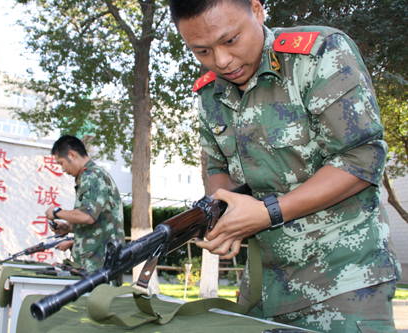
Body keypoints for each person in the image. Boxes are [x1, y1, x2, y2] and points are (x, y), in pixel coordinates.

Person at [169, 0, 401, 331]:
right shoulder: (209, 93)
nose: (221, 60)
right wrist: (224, 216)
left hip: (344, 279)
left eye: (230, 40)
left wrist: (268, 213)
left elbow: (362, 156)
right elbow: (216, 167)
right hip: (263, 286)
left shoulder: (318, 54)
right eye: (202, 51)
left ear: (257, 10)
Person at [45, 135, 125, 275]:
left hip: (98, 267)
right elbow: (97, 220)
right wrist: (68, 227)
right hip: (95, 265)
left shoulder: (92, 176)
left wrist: (56, 212)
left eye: (61, 163)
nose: (62, 169)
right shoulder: (90, 176)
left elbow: (87, 216)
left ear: (72, 155)